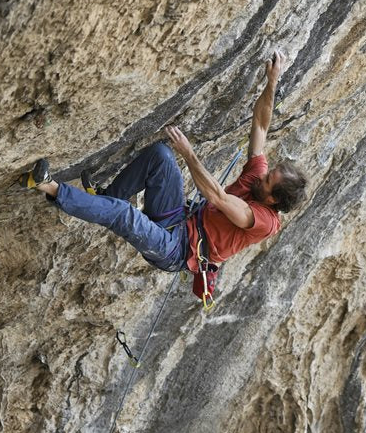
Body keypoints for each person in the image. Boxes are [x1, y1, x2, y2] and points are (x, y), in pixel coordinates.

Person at [24, 50, 307, 291]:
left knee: (125, 216)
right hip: (180, 218)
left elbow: (218, 197)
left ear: (272, 200)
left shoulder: (263, 221)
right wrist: (272, 83)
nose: (262, 175)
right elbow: (260, 125)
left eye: (268, 181)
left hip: (176, 251)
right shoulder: (258, 180)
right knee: (160, 156)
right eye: (268, 173)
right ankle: (106, 196)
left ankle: (50, 188)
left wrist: (190, 154)